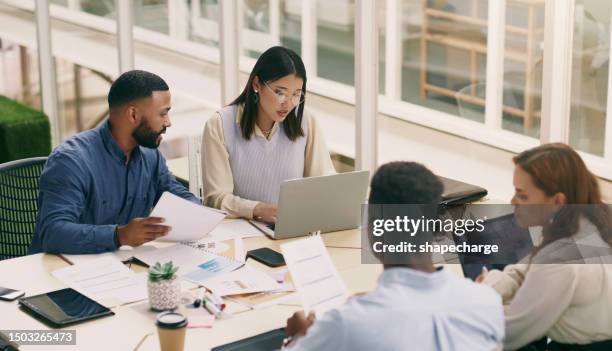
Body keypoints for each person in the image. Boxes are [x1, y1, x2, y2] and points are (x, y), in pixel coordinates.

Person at [283, 162, 504, 351]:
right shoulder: (487, 302)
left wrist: (297, 338)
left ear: (373, 231)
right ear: (440, 231)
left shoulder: (347, 324)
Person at [29, 70, 199, 255]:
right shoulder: (71, 160)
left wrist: (196, 211)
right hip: (61, 273)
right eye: (162, 114)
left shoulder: (150, 155)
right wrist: (119, 236)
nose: (168, 122)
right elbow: (53, 233)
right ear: (133, 115)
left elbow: (175, 194)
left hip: (122, 266)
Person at [478, 143, 612, 350]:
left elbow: (511, 333)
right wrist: (490, 286)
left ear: (558, 200)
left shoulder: (560, 258)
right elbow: (528, 270)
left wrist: (471, 305)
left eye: (522, 195)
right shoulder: (588, 220)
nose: (512, 201)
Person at [201, 46, 335, 224]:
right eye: (280, 92)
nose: (288, 104)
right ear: (257, 84)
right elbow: (216, 199)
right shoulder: (220, 124)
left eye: (296, 95)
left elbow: (325, 183)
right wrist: (257, 209)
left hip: (293, 228)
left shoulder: (305, 121)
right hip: (241, 232)